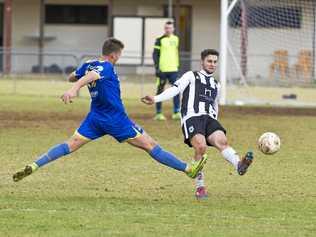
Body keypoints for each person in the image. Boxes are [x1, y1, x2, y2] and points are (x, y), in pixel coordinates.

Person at [13, 38, 207, 183]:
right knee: (151, 145)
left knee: (69, 145)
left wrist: (76, 79)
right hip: (116, 119)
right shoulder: (105, 67)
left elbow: (73, 75)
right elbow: (90, 76)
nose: (119, 57)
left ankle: (35, 164)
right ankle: (187, 169)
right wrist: (75, 88)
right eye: (120, 54)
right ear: (114, 55)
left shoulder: (90, 63)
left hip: (95, 118)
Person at [142, 49, 254, 200]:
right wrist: (156, 99)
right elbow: (175, 89)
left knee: (222, 141)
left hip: (209, 118)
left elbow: (215, 105)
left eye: (215, 62)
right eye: (209, 61)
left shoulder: (216, 84)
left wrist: (214, 118)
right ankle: (200, 186)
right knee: (201, 147)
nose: (212, 64)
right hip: (192, 117)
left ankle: (239, 164)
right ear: (202, 62)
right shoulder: (191, 76)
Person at [152, 21, 180, 121]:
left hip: (174, 69)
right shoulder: (159, 40)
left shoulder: (176, 39)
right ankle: (158, 113)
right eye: (166, 28)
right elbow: (155, 54)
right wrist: (157, 68)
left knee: (176, 90)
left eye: (170, 28)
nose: (168, 30)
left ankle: (177, 112)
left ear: (173, 29)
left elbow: (176, 53)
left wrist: (177, 66)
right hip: (162, 70)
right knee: (160, 91)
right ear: (164, 29)